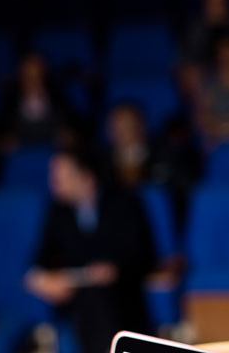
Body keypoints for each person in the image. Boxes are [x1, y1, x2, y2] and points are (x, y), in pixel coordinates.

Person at [25, 148, 155, 353]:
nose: (54, 186)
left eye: (61, 179)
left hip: (122, 296)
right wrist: (45, 282)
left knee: (101, 301)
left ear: (86, 177)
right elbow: (36, 263)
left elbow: (143, 255)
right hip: (78, 301)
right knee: (89, 301)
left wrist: (115, 269)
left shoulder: (124, 203)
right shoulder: (58, 212)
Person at [0, 52, 76, 150]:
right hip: (20, 158)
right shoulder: (9, 101)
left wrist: (69, 136)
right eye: (28, 77)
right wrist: (2, 141)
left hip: (54, 156)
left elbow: (73, 127)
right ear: (20, 76)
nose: (33, 81)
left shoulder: (59, 98)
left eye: (37, 76)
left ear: (44, 75)